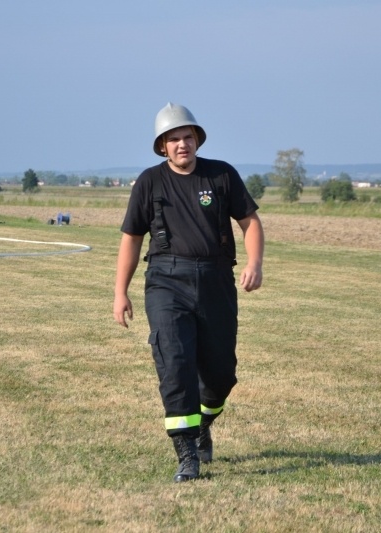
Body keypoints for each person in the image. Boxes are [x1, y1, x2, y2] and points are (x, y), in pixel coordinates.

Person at [113, 103, 265, 482]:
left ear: (197, 139)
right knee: (175, 364)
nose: (182, 144)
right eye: (173, 139)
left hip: (216, 281)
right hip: (166, 281)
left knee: (220, 376)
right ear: (162, 146)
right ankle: (187, 456)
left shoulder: (222, 175)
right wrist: (120, 292)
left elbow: (251, 222)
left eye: (187, 137)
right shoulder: (149, 182)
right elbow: (131, 239)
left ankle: (202, 426)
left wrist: (254, 263)